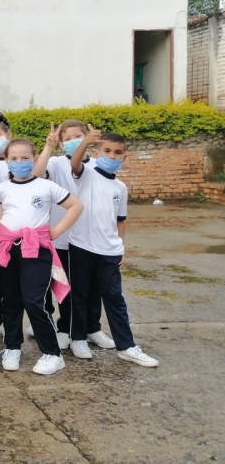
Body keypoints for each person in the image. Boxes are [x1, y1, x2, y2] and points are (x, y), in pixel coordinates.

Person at [0, 138, 83, 375]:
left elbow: (76, 206)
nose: (19, 162)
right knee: (10, 301)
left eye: (25, 158)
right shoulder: (2, 188)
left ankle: (52, 354)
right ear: (6, 162)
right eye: (13, 158)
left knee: (35, 301)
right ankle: (13, 347)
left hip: (36, 248)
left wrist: (55, 231)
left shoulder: (46, 186)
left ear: (35, 160)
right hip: (7, 249)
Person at [68, 128, 159, 367]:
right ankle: (78, 337)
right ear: (98, 152)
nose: (112, 155)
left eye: (117, 152)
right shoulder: (85, 173)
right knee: (79, 295)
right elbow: (75, 162)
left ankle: (127, 346)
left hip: (109, 251)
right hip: (81, 247)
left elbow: (120, 220)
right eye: (106, 151)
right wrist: (85, 142)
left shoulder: (120, 187)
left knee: (115, 299)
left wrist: (121, 247)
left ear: (124, 157)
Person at [33, 120, 114, 354]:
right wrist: (47, 148)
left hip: (93, 240)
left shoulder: (99, 165)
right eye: (67, 139)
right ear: (61, 143)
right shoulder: (57, 163)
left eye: (78, 136)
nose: (73, 141)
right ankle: (66, 329)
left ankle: (92, 327)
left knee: (92, 287)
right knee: (66, 288)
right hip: (62, 238)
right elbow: (38, 176)